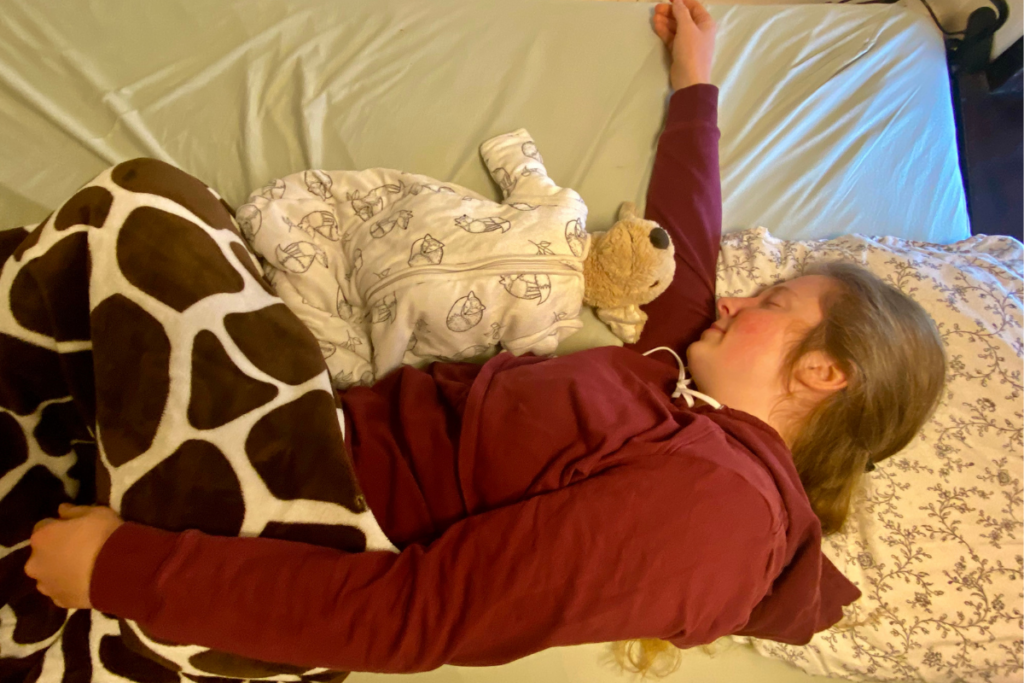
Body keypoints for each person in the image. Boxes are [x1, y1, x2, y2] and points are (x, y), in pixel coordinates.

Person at [25, 0, 946, 676]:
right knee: (143, 259)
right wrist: (697, 78)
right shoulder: (678, 393)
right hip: (298, 437)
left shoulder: (724, 518)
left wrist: (124, 569)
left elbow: (424, 617)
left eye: (776, 300)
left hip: (309, 531)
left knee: (148, 215)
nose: (740, 298)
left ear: (823, 372)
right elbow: (687, 252)